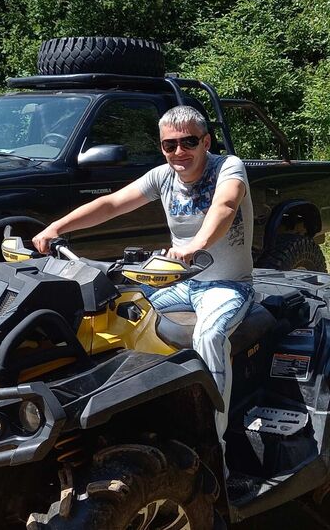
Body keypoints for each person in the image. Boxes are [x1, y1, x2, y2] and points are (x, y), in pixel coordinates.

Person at [32, 105, 255, 459]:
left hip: (227, 285)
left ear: (206, 142)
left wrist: (196, 245)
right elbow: (112, 204)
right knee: (118, 311)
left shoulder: (227, 167)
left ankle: (214, 442)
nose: (179, 152)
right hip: (180, 283)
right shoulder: (163, 176)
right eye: (169, 145)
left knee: (209, 335)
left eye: (189, 142)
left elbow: (225, 206)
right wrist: (56, 228)